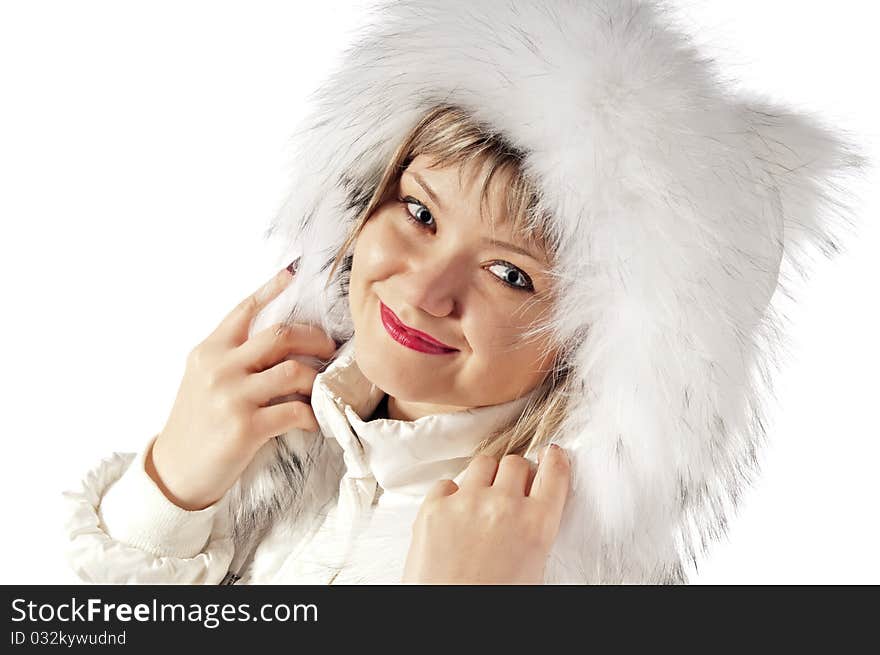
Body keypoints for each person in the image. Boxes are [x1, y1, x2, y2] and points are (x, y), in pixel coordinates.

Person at [62, 0, 865, 584]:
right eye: (418, 212)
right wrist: (171, 488)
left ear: (592, 352)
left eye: (511, 273)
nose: (426, 287)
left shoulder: (553, 565)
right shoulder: (290, 446)